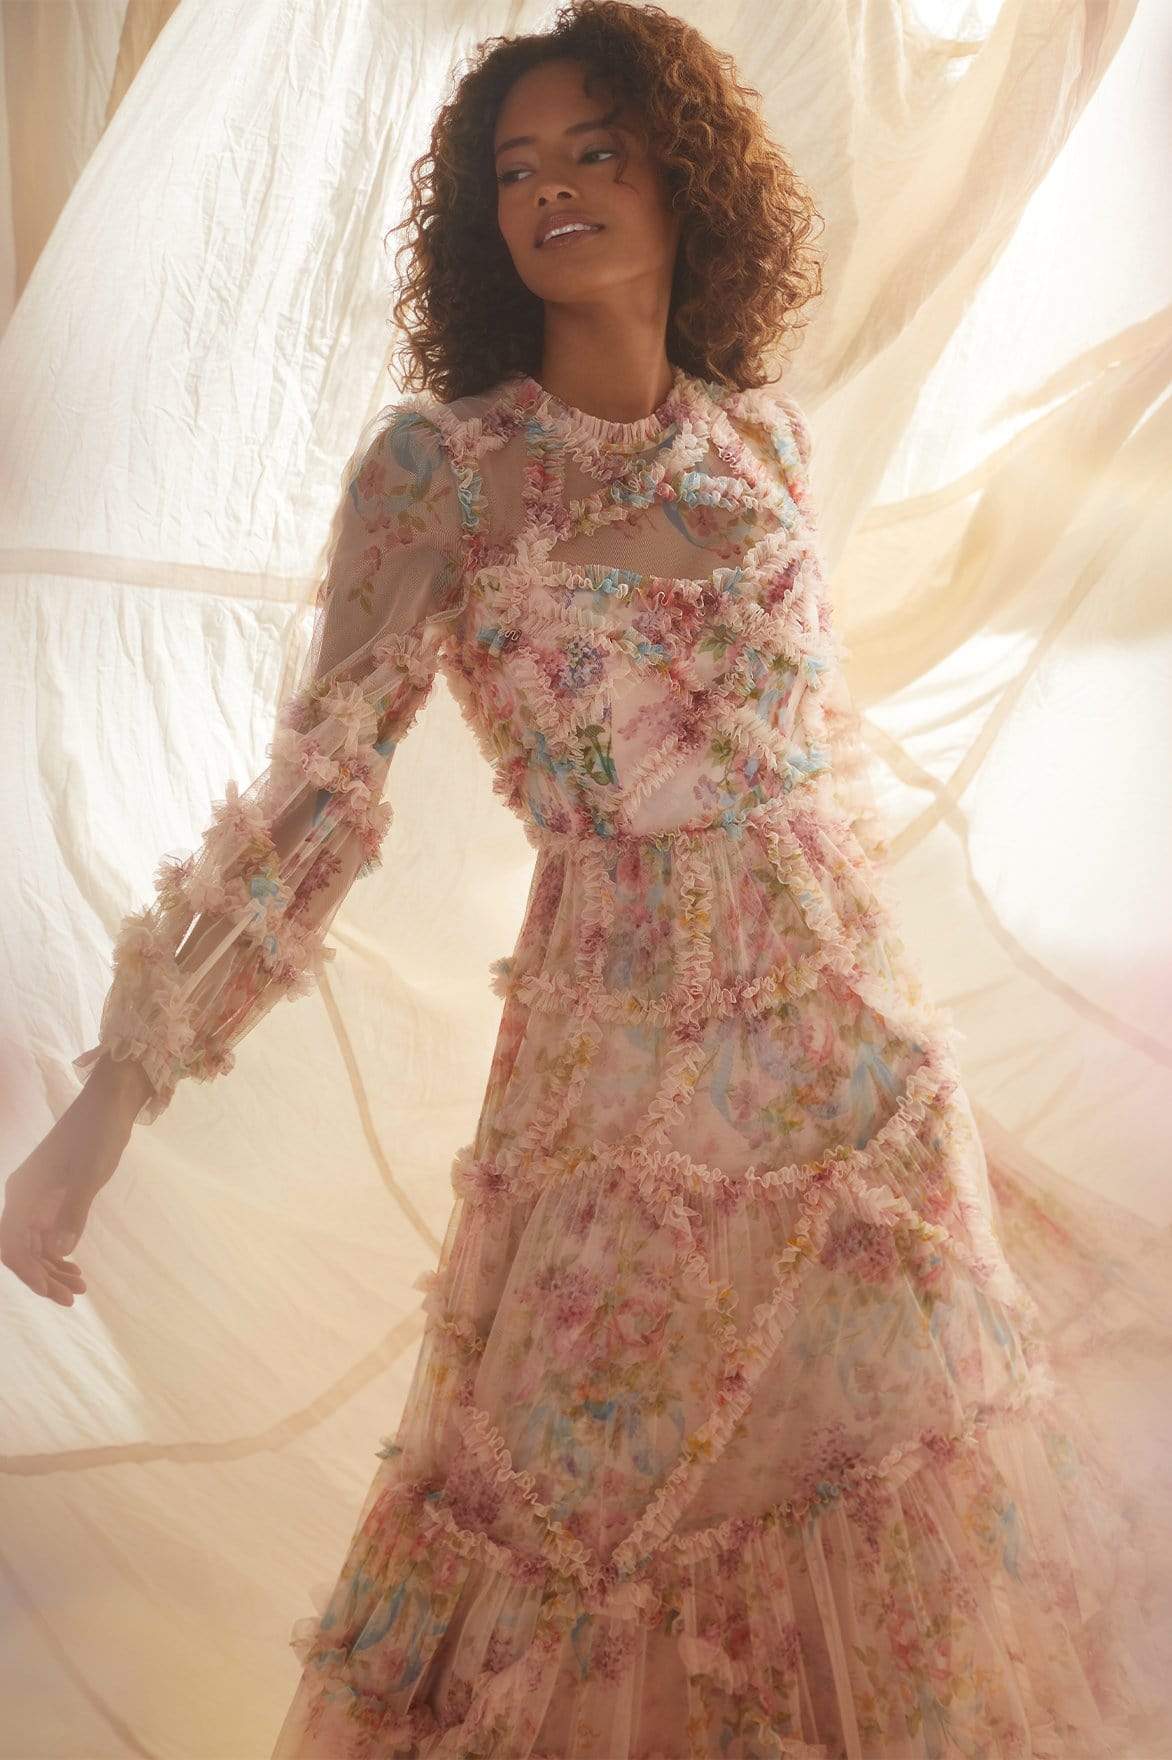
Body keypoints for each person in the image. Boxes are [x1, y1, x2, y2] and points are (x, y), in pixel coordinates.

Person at [4, 3, 1165, 1755]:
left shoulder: (762, 441)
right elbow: (312, 814)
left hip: (853, 1087)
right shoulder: (439, 476)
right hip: (618, 1094)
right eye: (515, 168)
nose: (550, 189)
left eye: (593, 152)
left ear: (682, 179)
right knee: (586, 1530)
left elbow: (806, 772)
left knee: (893, 1514)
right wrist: (93, 1125)